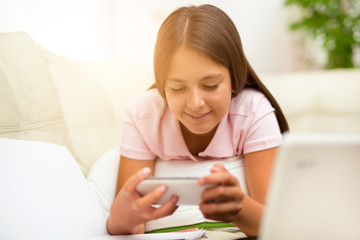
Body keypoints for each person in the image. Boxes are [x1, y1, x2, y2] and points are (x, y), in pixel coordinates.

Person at [106, 4, 289, 237]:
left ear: (235, 79)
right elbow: (129, 220)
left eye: (211, 85)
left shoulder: (252, 110)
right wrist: (121, 219)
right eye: (177, 87)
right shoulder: (144, 113)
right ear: (162, 86)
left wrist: (239, 208)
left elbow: (277, 224)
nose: (195, 103)